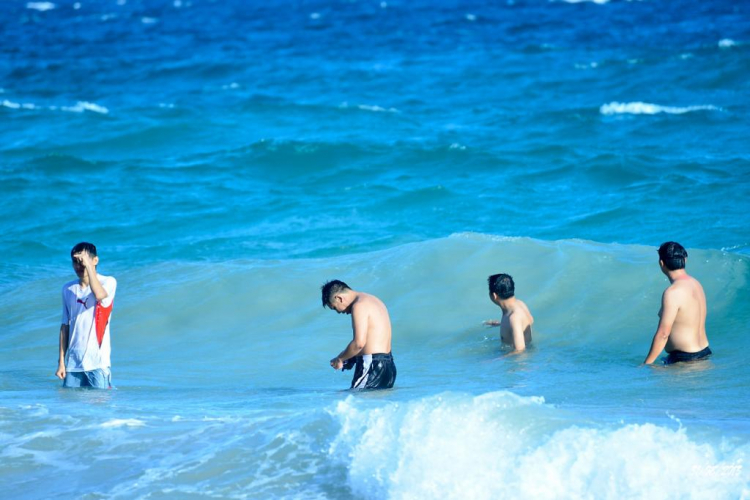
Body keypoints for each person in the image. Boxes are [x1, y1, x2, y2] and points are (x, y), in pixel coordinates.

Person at [55, 242, 117, 388]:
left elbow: (99, 295)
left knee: (100, 408)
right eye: (75, 262)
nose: (79, 266)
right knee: (72, 408)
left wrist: (88, 266)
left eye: (82, 262)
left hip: (97, 363)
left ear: (95, 261)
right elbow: (65, 327)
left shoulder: (108, 282)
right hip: (73, 365)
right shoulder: (68, 289)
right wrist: (61, 363)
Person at [643, 242, 711, 365]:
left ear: (661, 263)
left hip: (685, 360)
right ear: (685, 260)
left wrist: (646, 364)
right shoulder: (696, 284)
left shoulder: (672, 292)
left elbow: (663, 334)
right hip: (704, 353)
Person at [321, 280, 396, 390]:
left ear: (339, 298)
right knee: (374, 406)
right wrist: (351, 358)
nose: (338, 312)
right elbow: (373, 340)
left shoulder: (359, 305)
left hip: (372, 366)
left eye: (335, 308)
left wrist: (340, 359)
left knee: (356, 402)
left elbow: (359, 344)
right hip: (388, 366)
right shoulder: (373, 300)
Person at [486, 273, 533, 353]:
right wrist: (501, 324)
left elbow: (520, 350)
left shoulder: (514, 318)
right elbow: (522, 325)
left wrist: (493, 360)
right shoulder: (520, 304)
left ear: (494, 295)